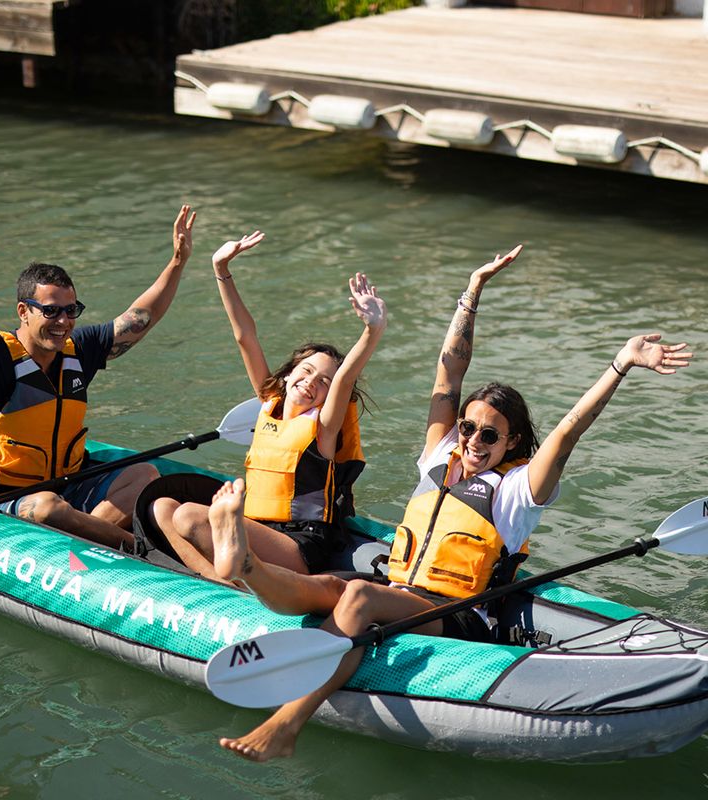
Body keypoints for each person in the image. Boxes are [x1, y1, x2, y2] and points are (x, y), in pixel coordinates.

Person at [204, 244, 693, 762]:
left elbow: (569, 431)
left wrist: (620, 365)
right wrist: (472, 291)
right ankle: (246, 565)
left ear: (511, 444)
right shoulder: (438, 456)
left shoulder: (517, 492)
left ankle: (288, 721)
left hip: (457, 612)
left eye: (491, 435)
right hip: (402, 588)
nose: (476, 440)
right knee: (326, 586)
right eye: (469, 427)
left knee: (358, 599)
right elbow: (449, 375)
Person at [0, 206, 197, 550]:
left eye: (71, 310)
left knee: (144, 476)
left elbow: (140, 318)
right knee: (47, 507)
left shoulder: (77, 350)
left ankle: (89, 534)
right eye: (51, 310)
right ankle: (137, 547)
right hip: (9, 497)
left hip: (70, 483)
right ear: (23, 311)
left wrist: (177, 262)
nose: (63, 321)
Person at [150, 231, 387, 580]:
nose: (312, 382)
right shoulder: (268, 405)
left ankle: (233, 580)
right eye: (306, 371)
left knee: (188, 517)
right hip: (253, 529)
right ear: (289, 374)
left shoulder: (323, 428)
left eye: (324, 382)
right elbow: (245, 335)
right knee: (163, 508)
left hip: (299, 544)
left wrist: (372, 330)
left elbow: (346, 379)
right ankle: (219, 581)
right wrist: (221, 269)